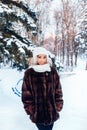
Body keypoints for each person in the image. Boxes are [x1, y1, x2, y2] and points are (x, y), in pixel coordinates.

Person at [21, 47, 63, 130]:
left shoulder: (52, 71)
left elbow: (58, 90)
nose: (42, 60)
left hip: (52, 112)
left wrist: (58, 105)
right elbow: (26, 94)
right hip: (38, 114)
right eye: (39, 57)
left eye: (44, 57)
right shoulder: (29, 73)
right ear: (35, 58)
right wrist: (31, 109)